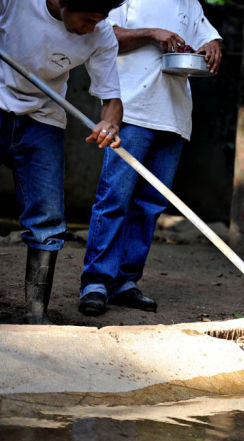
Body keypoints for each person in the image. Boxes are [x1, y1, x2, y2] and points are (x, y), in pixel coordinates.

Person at [78, 0, 223, 316]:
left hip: (174, 118)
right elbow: (102, 34)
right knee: (114, 199)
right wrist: (152, 33)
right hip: (131, 111)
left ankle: (126, 282)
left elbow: (207, 37)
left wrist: (212, 47)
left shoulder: (189, 2)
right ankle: (96, 283)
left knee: (149, 207)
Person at [0, 0, 124, 324]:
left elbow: (112, 99)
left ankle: (36, 316)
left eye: (99, 20)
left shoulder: (101, 34)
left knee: (48, 217)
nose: (91, 28)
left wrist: (110, 124)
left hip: (43, 120)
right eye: (86, 18)